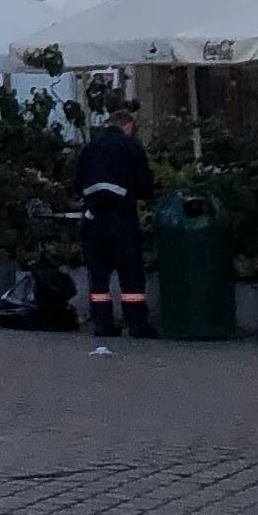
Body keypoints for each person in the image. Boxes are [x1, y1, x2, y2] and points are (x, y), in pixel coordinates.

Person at [71, 80, 152, 345]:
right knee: (130, 274)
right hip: (121, 217)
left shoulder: (90, 147)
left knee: (99, 275)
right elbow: (144, 183)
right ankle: (136, 323)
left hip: (93, 218)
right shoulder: (130, 147)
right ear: (128, 127)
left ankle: (103, 323)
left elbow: (76, 183)